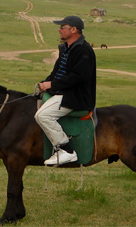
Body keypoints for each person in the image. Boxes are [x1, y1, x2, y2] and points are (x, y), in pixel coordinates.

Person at [35, 15, 97, 166]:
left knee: (42, 116)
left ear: (74, 30)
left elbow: (78, 77)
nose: (59, 30)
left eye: (63, 27)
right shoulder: (66, 48)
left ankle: (65, 150)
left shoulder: (84, 50)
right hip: (63, 91)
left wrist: (52, 85)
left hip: (76, 97)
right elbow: (57, 72)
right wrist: (46, 83)